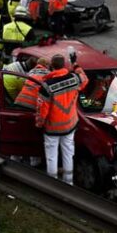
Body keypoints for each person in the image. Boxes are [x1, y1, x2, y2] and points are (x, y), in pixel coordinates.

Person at [36, 53, 88, 185]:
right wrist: (75, 64)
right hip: (70, 126)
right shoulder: (74, 79)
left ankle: (53, 184)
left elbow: (42, 111)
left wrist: (39, 123)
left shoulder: (47, 86)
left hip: (52, 128)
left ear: (51, 67)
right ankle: (68, 182)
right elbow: (85, 79)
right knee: (68, 154)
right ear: (64, 65)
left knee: (52, 157)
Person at [0, 57, 37, 147]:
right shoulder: (23, 77)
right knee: (1, 123)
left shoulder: (16, 64)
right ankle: (3, 146)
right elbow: (23, 96)